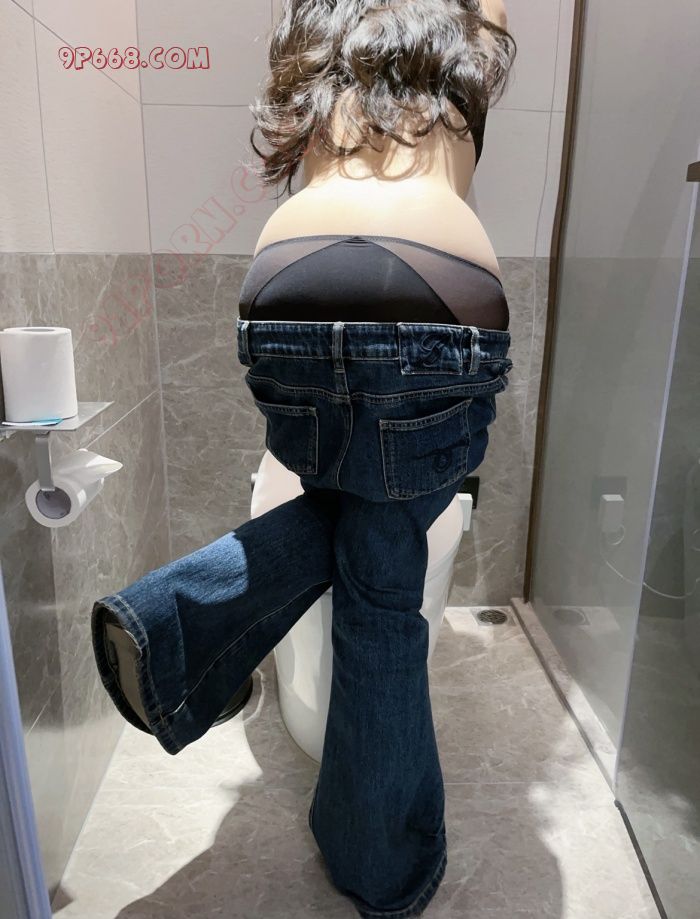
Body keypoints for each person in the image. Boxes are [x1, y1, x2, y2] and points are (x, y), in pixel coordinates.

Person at [91, 2, 516, 916]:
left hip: (290, 277)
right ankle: (381, 866)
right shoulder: (463, 39)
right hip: (436, 283)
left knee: (357, 509)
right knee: (386, 568)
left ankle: (170, 626)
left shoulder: (320, 42)